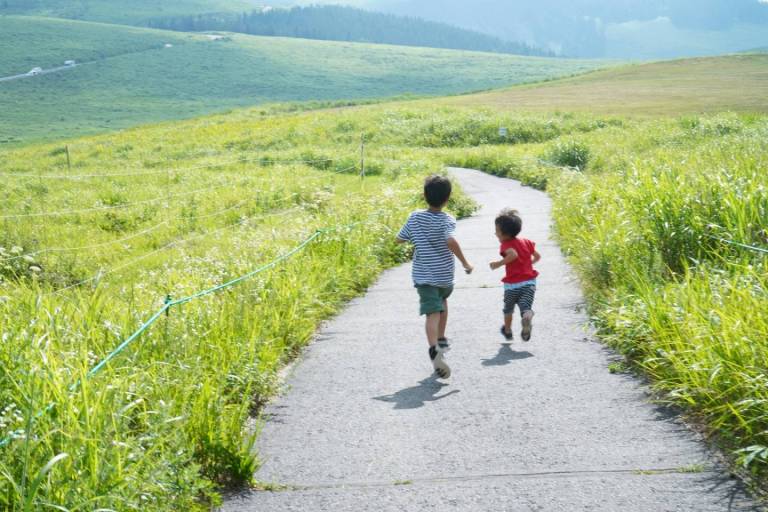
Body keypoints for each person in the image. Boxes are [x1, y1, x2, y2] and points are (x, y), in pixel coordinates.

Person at [396, 175, 473, 379]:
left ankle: (434, 349)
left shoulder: (414, 217)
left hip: (424, 276)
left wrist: (410, 239)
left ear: (424, 196)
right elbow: (450, 240)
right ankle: (440, 338)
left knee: (432, 313)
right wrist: (465, 262)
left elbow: (400, 239)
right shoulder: (448, 219)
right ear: (447, 199)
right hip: (445, 276)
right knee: (443, 303)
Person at [489, 209, 540, 341]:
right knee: (525, 306)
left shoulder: (505, 245)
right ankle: (527, 317)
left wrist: (498, 263)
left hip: (512, 285)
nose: (495, 233)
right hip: (529, 282)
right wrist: (529, 264)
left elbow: (513, 254)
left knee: (508, 309)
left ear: (505, 234)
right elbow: (537, 256)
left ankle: (507, 330)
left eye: (497, 231)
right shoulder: (527, 242)